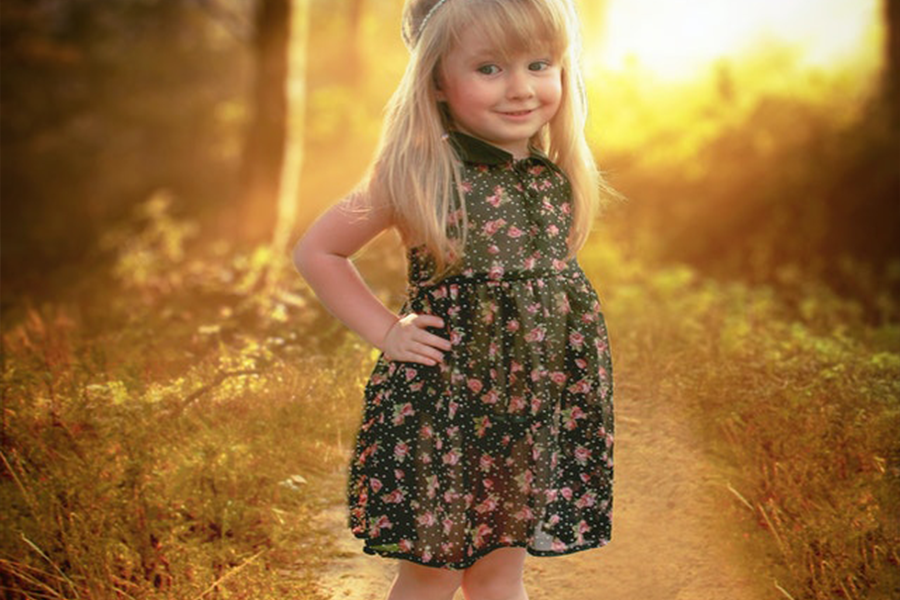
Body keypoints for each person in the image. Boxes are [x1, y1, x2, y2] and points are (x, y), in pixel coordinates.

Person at [293, 0, 615, 598]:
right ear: (438, 81)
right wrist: (389, 332)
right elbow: (319, 252)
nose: (521, 88)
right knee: (432, 572)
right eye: (489, 69)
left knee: (500, 568)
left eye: (539, 64)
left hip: (529, 412)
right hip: (446, 410)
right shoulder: (419, 171)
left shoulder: (554, 171)